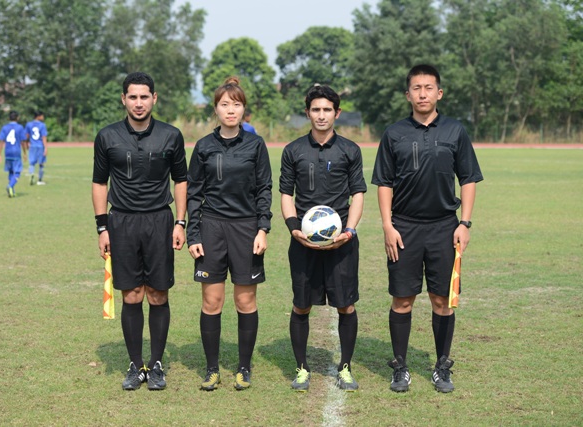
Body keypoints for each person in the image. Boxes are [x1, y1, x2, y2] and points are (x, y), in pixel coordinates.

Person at [371, 64, 483, 393]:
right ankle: (400, 367)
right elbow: (383, 183)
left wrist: (464, 222)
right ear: (408, 95)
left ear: (439, 93)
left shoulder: (455, 131)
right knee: (402, 300)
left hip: (444, 228)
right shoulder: (394, 133)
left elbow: (469, 178)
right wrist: (388, 225)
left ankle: (442, 366)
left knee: (441, 301)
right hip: (403, 228)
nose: (423, 93)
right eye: (416, 88)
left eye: (428, 87)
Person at [92, 72, 188, 391]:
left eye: (144, 97)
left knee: (158, 294)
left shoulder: (171, 136)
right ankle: (136, 366)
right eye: (132, 97)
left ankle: (157, 365)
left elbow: (181, 181)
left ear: (154, 98)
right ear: (123, 99)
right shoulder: (107, 136)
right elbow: (99, 183)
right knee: (131, 295)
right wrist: (102, 226)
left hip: (160, 220)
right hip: (122, 222)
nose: (138, 103)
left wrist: (180, 221)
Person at [187, 76, 272, 391]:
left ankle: (244, 368)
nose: (231, 110)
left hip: (247, 228)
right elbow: (195, 193)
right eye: (225, 104)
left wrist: (263, 228)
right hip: (211, 229)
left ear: (244, 109)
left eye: (236, 104)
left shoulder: (255, 144)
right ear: (216, 109)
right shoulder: (204, 147)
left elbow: (264, 188)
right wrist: (194, 235)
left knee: (245, 300)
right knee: (212, 300)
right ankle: (211, 369)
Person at [279, 84, 367, 392]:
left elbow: (358, 194)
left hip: (341, 243)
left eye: (327, 110)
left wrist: (350, 230)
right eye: (315, 110)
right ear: (307, 113)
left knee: (346, 305)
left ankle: (344, 368)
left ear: (337, 113)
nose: (321, 115)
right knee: (301, 305)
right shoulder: (292, 151)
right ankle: (302, 369)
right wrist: (294, 229)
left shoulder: (350, 150)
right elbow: (286, 195)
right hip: (304, 243)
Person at [0, 110, 27, 198]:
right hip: (16, 152)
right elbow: (23, 142)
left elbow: (1, 141)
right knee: (17, 172)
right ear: (17, 118)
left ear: (8, 118)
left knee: (10, 171)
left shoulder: (4, 127)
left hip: (7, 152)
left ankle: (12, 192)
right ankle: (10, 186)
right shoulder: (20, 127)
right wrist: (25, 153)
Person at [25, 110, 48, 185]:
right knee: (41, 164)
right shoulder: (42, 125)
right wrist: (46, 148)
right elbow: (44, 137)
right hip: (40, 146)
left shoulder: (29, 124)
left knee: (32, 163)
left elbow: (27, 136)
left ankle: (31, 174)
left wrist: (26, 143)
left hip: (32, 146)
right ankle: (40, 180)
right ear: (38, 116)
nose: (43, 117)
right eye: (42, 115)